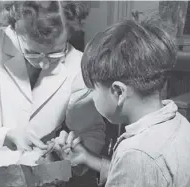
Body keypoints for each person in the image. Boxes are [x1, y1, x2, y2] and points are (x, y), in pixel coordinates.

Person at [0, 1, 105, 159]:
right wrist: (5, 135)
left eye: (55, 54)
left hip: (43, 175)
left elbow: (90, 132)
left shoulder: (77, 64)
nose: (44, 63)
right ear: (14, 27)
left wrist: (72, 149)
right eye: (32, 53)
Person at [54, 18, 190, 186]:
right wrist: (88, 158)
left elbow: (138, 165)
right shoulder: (178, 123)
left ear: (118, 92)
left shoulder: (137, 154)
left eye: (92, 90)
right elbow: (143, 175)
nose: (92, 97)